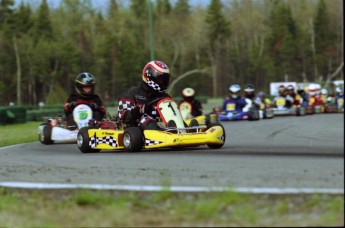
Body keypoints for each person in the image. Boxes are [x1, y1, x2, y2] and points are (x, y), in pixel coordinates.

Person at [117, 60, 171, 130]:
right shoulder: (131, 93)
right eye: (160, 79)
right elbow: (124, 117)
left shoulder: (165, 97)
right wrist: (140, 110)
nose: (163, 82)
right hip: (138, 133)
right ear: (147, 76)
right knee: (145, 119)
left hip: (166, 130)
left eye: (165, 80)